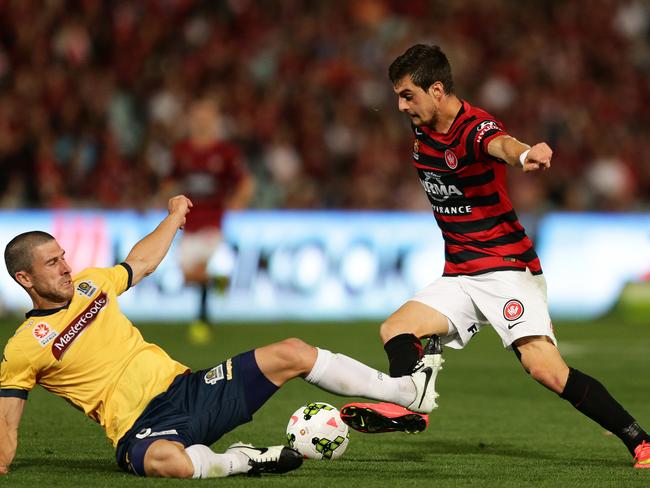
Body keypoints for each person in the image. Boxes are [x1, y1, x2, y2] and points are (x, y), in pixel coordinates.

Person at [340, 44, 650, 469]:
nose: (399, 105)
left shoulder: (473, 126)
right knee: (396, 328)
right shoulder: (424, 127)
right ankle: (411, 399)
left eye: (407, 94)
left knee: (545, 369)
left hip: (507, 267)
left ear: (436, 89)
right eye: (397, 95)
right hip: (460, 274)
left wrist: (525, 154)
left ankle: (641, 441)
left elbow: (501, 144)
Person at [0, 195, 437, 479]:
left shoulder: (91, 285)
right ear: (25, 277)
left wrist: (174, 217)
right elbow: (6, 424)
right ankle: (244, 460)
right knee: (165, 462)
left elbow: (142, 261)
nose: (65, 267)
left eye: (62, 257)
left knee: (293, 352)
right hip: (140, 425)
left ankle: (405, 391)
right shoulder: (24, 347)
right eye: (52, 263)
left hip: (189, 388)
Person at [166, 96, 254, 343]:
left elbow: (245, 182)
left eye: (207, 115)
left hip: (212, 221)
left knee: (198, 269)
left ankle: (201, 321)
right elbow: (171, 180)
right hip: (187, 220)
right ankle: (218, 281)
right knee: (188, 276)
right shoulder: (182, 150)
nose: (202, 120)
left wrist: (238, 201)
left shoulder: (225, 152)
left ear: (215, 119)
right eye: (198, 115)